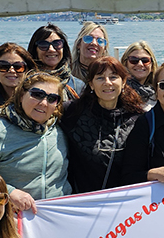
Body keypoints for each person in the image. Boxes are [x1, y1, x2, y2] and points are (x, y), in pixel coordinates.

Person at [0, 72, 71, 214]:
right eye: (37, 94)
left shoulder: (62, 128)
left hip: (57, 215)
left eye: (52, 98)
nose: (43, 103)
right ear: (21, 95)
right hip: (12, 218)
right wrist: (8, 192)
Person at [60, 56, 145, 192]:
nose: (107, 83)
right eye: (100, 78)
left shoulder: (137, 118)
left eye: (113, 77)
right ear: (91, 84)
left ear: (123, 82)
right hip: (83, 199)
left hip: (125, 199)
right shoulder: (72, 112)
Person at [27, 23, 77, 100]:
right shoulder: (26, 83)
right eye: (43, 45)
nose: (51, 49)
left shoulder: (77, 85)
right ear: (35, 50)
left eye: (57, 44)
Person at [71, 21, 110, 95]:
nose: (94, 43)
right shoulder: (67, 73)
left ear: (104, 49)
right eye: (88, 38)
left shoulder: (111, 74)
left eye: (100, 41)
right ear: (79, 44)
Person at [121, 40, 158, 106]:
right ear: (125, 64)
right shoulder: (119, 91)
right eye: (134, 60)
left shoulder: (157, 93)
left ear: (152, 66)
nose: (140, 64)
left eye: (145, 60)